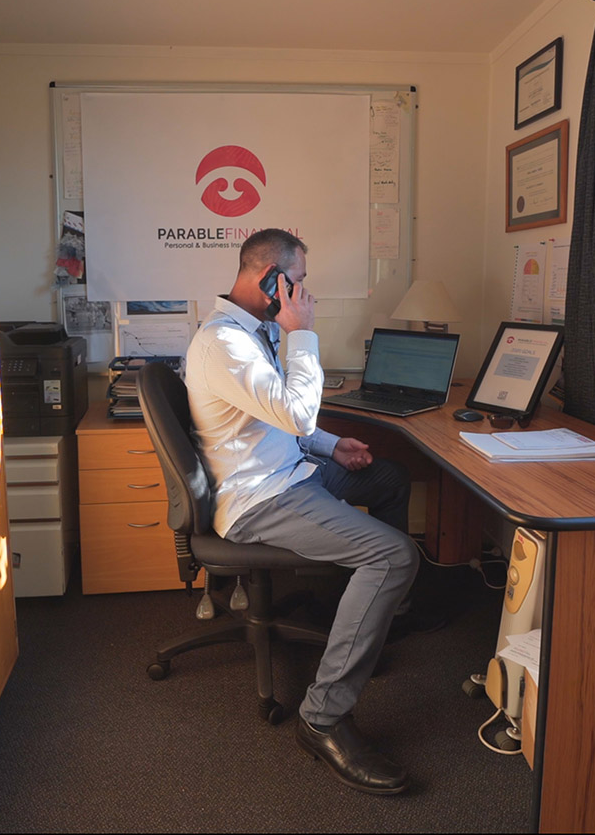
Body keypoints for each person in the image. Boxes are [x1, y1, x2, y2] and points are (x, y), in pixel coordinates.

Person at [185, 228, 421, 795]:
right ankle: (324, 716)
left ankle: (370, 616)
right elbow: (293, 410)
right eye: (298, 283)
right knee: (395, 556)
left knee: (388, 476)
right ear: (270, 278)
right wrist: (304, 336)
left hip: (292, 468)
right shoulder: (226, 345)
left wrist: (332, 443)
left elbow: (279, 422)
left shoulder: (254, 331)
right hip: (260, 498)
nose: (303, 296)